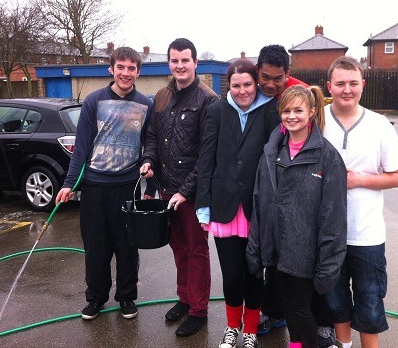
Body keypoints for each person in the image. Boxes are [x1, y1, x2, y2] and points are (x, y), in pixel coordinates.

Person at [55, 46, 153, 320]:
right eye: (120, 67)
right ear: (111, 69)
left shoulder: (146, 104)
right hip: (95, 187)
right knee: (96, 249)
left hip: (127, 187)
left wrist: (148, 164)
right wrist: (69, 183)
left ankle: (126, 298)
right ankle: (96, 298)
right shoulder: (93, 101)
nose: (125, 72)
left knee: (126, 248)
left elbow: (150, 143)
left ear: (138, 72)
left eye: (131, 68)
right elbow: (82, 146)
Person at [246, 85, 347, 348]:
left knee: (301, 309)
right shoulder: (272, 152)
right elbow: (260, 201)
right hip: (275, 248)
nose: (292, 116)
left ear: (312, 112)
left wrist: (329, 261)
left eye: (298, 110)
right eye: (286, 111)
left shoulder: (326, 156)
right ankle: (295, 344)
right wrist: (256, 246)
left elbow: (333, 214)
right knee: (288, 306)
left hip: (303, 251)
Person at [196, 59, 280, 348]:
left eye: (247, 84)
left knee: (255, 274)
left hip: (258, 206)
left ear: (255, 83)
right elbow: (206, 159)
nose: (242, 91)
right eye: (236, 85)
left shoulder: (270, 110)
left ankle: (251, 332)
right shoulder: (217, 111)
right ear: (228, 86)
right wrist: (203, 204)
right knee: (232, 276)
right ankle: (232, 327)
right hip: (225, 207)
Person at [323, 56, 398, 348]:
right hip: (328, 233)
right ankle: (343, 345)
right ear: (329, 85)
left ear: (363, 85)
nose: (347, 89)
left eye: (353, 83)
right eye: (341, 83)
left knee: (369, 303)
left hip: (367, 233)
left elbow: (397, 177)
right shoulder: (317, 119)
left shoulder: (379, 125)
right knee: (335, 300)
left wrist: (359, 180)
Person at [139, 38, 218, 337]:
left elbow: (207, 155)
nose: (180, 66)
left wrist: (185, 191)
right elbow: (152, 136)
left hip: (194, 194)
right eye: (175, 61)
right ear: (169, 63)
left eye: (185, 60)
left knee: (197, 250)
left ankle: (199, 309)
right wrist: (148, 160)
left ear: (195, 63)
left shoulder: (209, 101)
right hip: (166, 189)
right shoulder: (160, 96)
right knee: (178, 247)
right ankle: (184, 298)